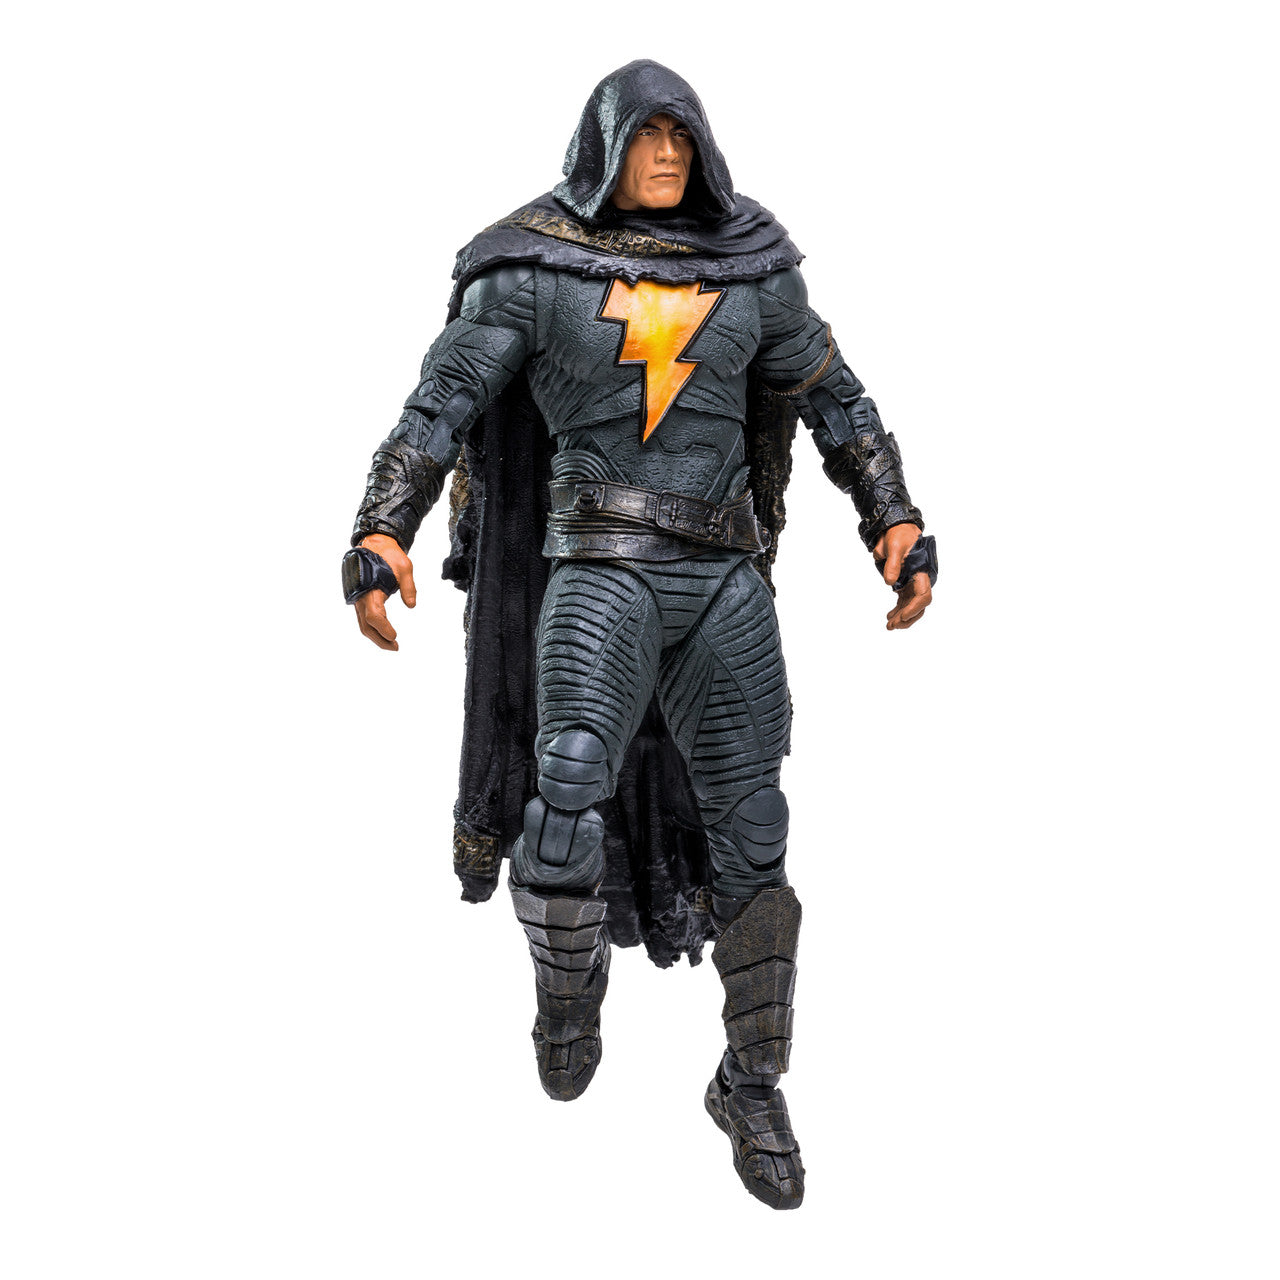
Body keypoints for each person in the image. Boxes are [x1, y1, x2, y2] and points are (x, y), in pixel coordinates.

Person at [341, 60, 937, 1210]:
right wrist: (382, 525)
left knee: (754, 829)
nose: (664, 154)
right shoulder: (529, 270)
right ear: (601, 146)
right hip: (597, 572)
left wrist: (893, 515)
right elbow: (440, 405)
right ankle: (566, 994)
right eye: (644, 135)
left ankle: (749, 1081)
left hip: (721, 581)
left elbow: (836, 398)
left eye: (680, 135)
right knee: (562, 794)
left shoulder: (750, 268)